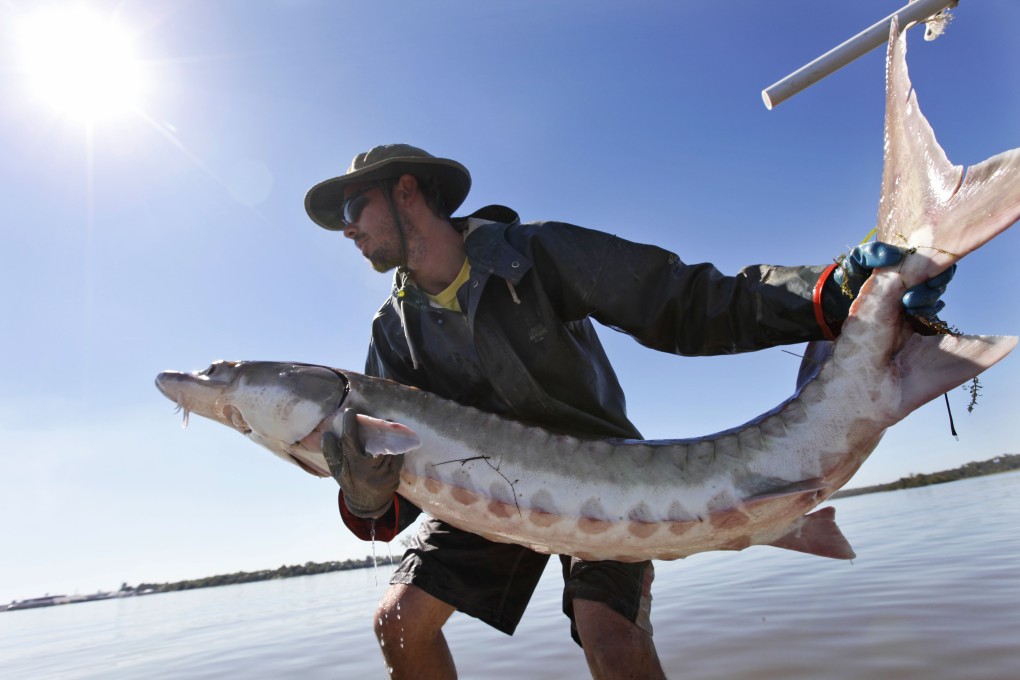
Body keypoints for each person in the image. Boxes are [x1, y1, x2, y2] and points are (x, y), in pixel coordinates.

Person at [303, 144, 953, 679]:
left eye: (354, 207)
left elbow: (680, 300)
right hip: (483, 491)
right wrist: (364, 495)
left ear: (408, 192)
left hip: (603, 477)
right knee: (397, 621)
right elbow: (397, 486)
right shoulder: (392, 332)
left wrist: (826, 294)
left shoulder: (535, 253)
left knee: (609, 640)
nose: (348, 229)